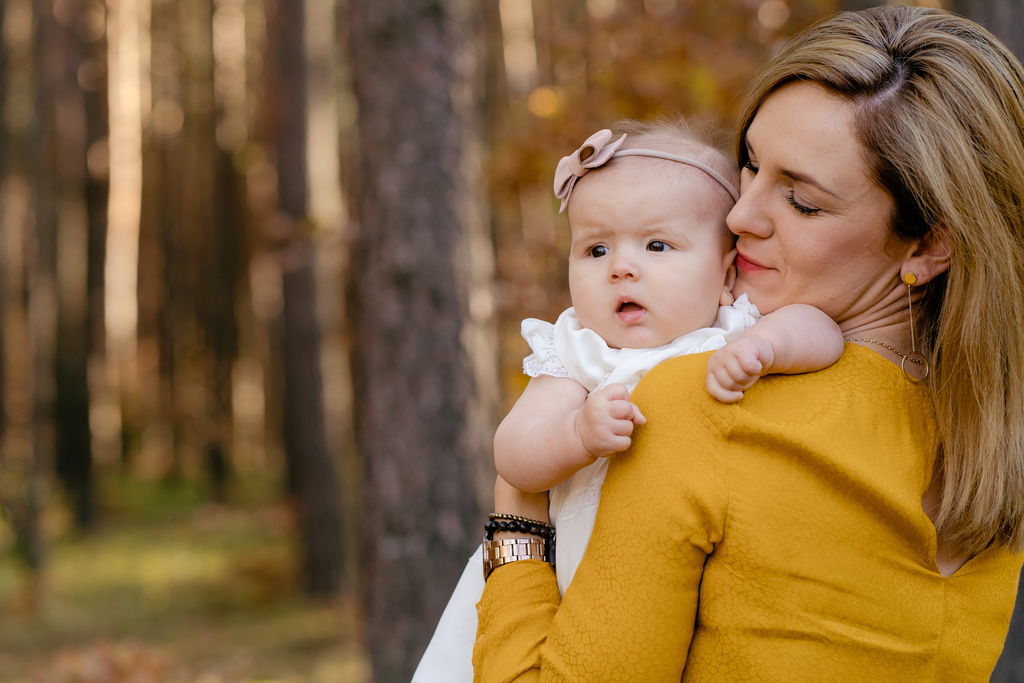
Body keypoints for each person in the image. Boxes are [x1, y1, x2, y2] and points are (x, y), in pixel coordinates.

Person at [473, 6, 1024, 681]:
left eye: (803, 201)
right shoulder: (993, 450)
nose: (738, 214)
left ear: (929, 244)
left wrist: (517, 524)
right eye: (751, 165)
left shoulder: (703, 404)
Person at [412, 120, 842, 683]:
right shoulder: (581, 352)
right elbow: (513, 459)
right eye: (595, 249)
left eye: (657, 245)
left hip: (671, 589)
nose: (620, 266)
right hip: (559, 582)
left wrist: (767, 346)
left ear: (726, 272)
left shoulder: (736, 329)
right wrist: (575, 435)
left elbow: (823, 332)